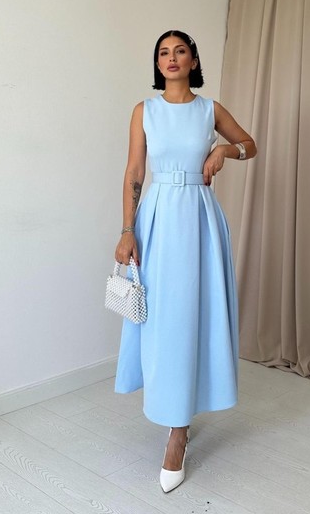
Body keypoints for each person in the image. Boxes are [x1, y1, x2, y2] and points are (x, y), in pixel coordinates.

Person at [114, 30, 257, 493]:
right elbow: (135, 171)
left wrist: (225, 149)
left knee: (195, 316)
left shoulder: (209, 109)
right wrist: (127, 229)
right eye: (164, 52)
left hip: (200, 219)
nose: (171, 58)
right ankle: (173, 413)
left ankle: (178, 432)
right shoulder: (145, 110)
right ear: (157, 63)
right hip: (157, 219)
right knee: (164, 318)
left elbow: (250, 144)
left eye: (180, 51)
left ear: (193, 60)